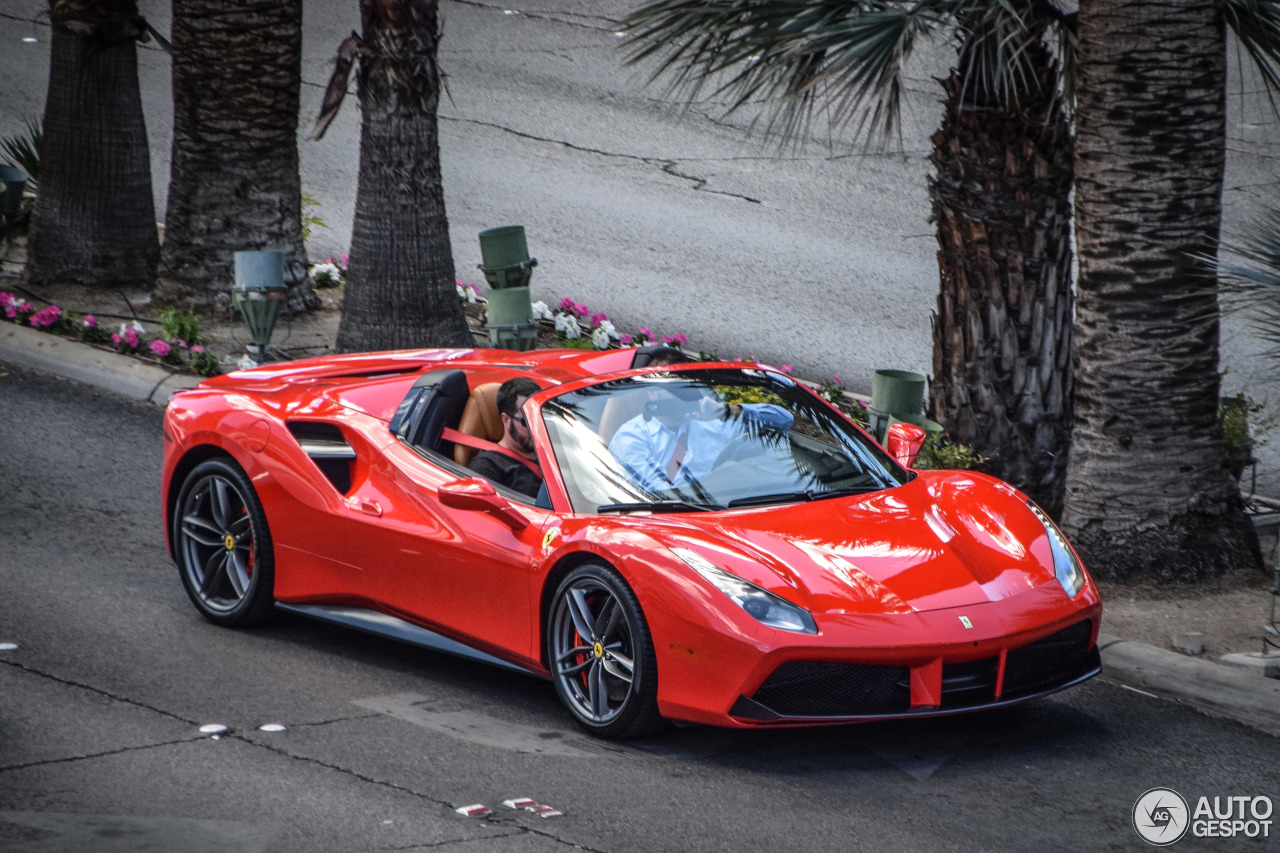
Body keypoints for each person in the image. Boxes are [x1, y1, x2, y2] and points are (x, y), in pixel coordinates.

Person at [607, 383, 793, 492]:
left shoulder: (711, 421)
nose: (683, 396)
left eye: (686, 389)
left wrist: (728, 411)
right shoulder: (632, 436)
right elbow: (661, 496)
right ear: (653, 393)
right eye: (674, 390)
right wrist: (718, 481)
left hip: (732, 508)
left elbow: (784, 421)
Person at [468, 377, 544, 499]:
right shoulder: (487, 466)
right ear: (506, 420)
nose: (535, 426)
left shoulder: (554, 449)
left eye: (540, 417)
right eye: (526, 421)